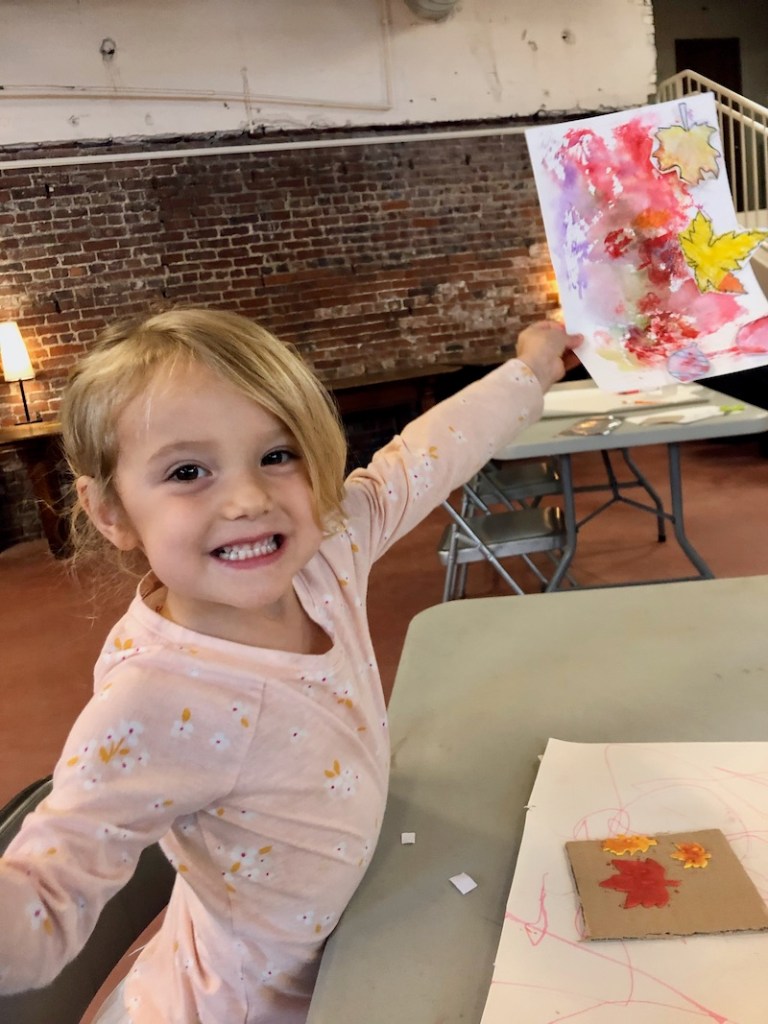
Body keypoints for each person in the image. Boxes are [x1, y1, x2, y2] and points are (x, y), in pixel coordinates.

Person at [0, 307, 579, 1023]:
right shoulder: (150, 703)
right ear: (111, 510)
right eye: (188, 471)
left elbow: (425, 455)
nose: (249, 499)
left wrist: (530, 370)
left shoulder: (324, 555)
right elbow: (42, 908)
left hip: (366, 936)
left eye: (279, 455)